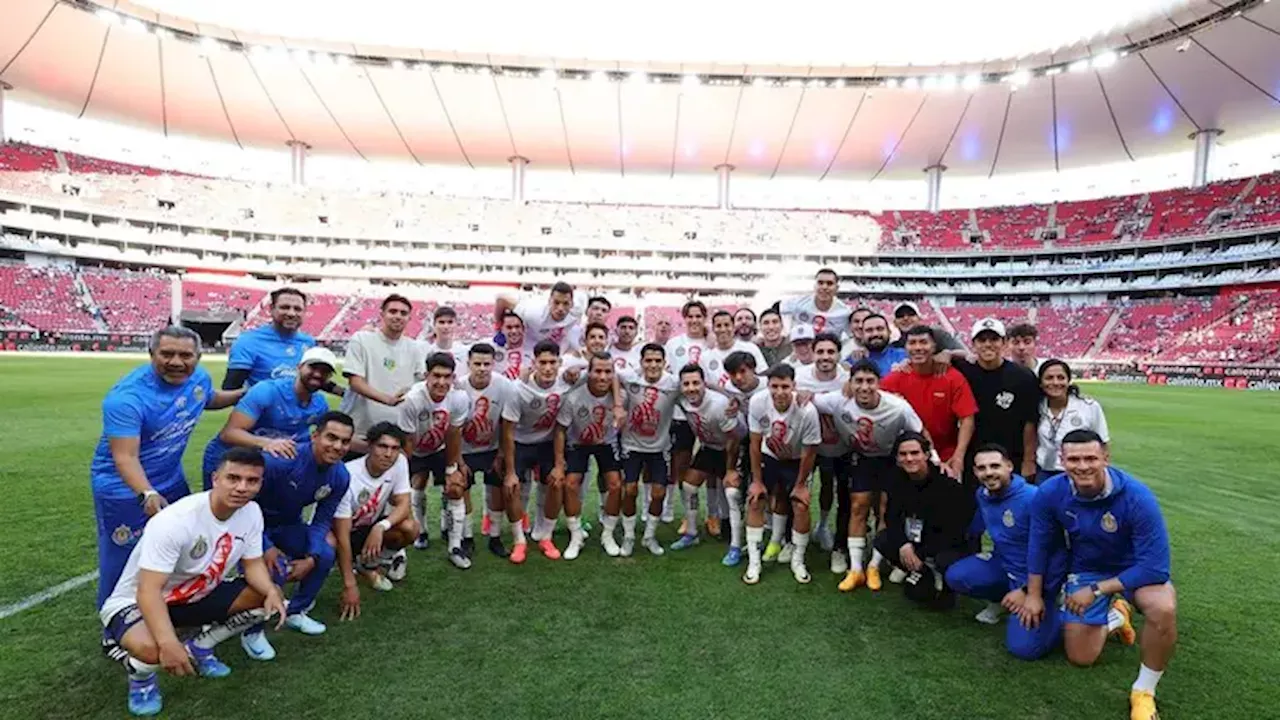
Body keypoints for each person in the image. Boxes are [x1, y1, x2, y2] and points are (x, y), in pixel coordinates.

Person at [98, 447, 287, 717]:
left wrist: (270, 590)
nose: (242, 487)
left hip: (194, 595)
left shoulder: (252, 512)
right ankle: (141, 679)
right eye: (233, 478)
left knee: (267, 598)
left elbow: (253, 564)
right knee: (152, 650)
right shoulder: (175, 521)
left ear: (260, 484)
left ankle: (200, 646)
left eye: (252, 481)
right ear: (215, 479)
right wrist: (167, 643)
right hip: (136, 602)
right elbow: (147, 591)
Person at [92, 326, 244, 611]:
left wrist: (243, 394)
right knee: (124, 558)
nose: (176, 362)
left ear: (199, 357)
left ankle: (170, 607)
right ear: (152, 354)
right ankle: (114, 623)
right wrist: (146, 493)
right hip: (123, 488)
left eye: (185, 355)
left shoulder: (198, 377)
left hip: (171, 480)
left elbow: (207, 399)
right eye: (167, 354)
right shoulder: (126, 399)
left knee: (183, 544)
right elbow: (125, 457)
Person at [1025, 430, 1173, 720]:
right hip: (1087, 568)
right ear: (1062, 460)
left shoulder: (1137, 496)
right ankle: (1118, 615)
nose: (1083, 466)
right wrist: (1033, 594)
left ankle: (1143, 692)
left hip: (1135, 569)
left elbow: (1155, 567)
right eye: (1074, 459)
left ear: (1106, 457)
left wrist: (1096, 590)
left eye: (1091, 458)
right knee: (1081, 658)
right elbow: (1038, 544)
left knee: (1162, 607)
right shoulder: (1051, 493)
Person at [239, 411, 354, 661]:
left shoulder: (340, 475)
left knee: (324, 552)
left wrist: (311, 557)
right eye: (331, 438)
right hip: (250, 528)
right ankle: (252, 630)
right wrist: (266, 546)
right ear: (315, 436)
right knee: (275, 567)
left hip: (288, 525)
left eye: (345, 441)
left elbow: (322, 519)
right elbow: (243, 506)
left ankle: (296, 611)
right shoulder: (280, 461)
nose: (337, 446)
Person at [943, 444, 1067, 659]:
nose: (988, 473)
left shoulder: (1034, 499)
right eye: (982, 468)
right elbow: (976, 529)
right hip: (1005, 565)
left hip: (1040, 581)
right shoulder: (983, 494)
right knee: (957, 576)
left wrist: (1029, 591)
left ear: (1009, 466)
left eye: (995, 466)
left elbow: (1058, 554)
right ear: (975, 472)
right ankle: (1001, 601)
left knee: (1025, 649)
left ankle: (1067, 612)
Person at [812, 359, 924, 593]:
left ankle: (874, 564)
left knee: (884, 509)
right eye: (858, 381)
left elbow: (919, 431)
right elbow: (809, 399)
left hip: (890, 460)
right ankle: (855, 568)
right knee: (858, 506)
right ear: (850, 383)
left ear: (879, 383)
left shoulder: (897, 407)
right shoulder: (838, 400)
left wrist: (931, 458)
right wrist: (802, 393)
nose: (864, 387)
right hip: (861, 459)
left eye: (870, 381)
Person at [201, 347, 335, 489]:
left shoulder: (320, 404)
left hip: (265, 466)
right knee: (220, 509)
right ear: (299, 367)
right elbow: (229, 434)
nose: (318, 374)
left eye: (325, 371)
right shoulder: (267, 390)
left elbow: (325, 437)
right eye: (313, 367)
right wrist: (267, 443)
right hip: (227, 459)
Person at [872, 432, 972, 608]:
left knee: (942, 597)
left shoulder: (946, 484)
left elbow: (954, 531)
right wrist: (904, 545)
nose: (909, 459)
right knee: (883, 540)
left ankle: (939, 575)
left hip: (945, 545)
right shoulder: (896, 479)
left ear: (926, 455)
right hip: (915, 540)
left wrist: (921, 553)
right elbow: (892, 517)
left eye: (915, 453)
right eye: (903, 454)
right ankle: (922, 572)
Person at [743, 364, 821, 585]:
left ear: (794, 386)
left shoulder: (807, 411)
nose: (779, 392)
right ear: (768, 386)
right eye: (774, 386)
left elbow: (810, 452)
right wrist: (757, 481)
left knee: (800, 504)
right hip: (769, 457)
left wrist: (801, 485)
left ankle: (798, 560)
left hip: (797, 460)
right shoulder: (758, 402)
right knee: (756, 500)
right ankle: (754, 561)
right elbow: (755, 444)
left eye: (785, 386)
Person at [331, 422, 417, 621]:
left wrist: (381, 526)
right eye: (382, 446)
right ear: (369, 446)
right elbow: (342, 535)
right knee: (328, 546)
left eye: (395, 448)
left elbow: (404, 504)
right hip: (338, 531)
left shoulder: (400, 462)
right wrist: (349, 585)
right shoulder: (348, 475)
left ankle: (368, 565)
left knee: (409, 527)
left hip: (368, 527)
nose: (388, 454)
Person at [501, 340, 576, 562]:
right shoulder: (518, 389)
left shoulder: (565, 386)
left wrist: (560, 464)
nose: (548, 367)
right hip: (520, 442)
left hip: (547, 443)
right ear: (533, 363)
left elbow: (561, 429)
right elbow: (507, 431)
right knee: (512, 486)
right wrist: (510, 470)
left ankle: (546, 536)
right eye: (542, 362)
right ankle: (519, 541)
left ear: (560, 363)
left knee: (557, 482)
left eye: (553, 362)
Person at [396, 353, 470, 565]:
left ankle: (455, 546)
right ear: (426, 376)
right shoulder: (411, 400)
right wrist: (402, 474)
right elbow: (407, 440)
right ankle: (419, 533)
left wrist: (452, 468)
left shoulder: (459, 398)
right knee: (410, 488)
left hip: (440, 447)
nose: (441, 382)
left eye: (447, 377)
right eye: (436, 376)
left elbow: (454, 433)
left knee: (456, 488)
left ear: (453, 377)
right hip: (415, 449)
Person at [947, 318, 1040, 480]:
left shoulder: (1023, 377)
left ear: (1004, 343)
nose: (988, 344)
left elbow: (1030, 422)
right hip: (973, 456)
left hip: (1010, 456)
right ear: (973, 344)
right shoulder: (963, 370)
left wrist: (1028, 460)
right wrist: (946, 354)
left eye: (994, 339)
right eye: (982, 340)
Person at [881, 326, 977, 478]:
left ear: (934, 347)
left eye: (923, 342)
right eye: (912, 343)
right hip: (906, 457)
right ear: (905, 347)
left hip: (946, 456)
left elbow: (967, 418)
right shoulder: (893, 379)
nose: (918, 348)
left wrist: (959, 456)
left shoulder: (952, 377)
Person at [553, 352, 624, 560]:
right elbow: (560, 430)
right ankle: (576, 535)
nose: (603, 377)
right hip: (578, 442)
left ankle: (608, 534)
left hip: (607, 442)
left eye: (608, 372)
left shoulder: (621, 396)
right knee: (571, 483)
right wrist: (559, 463)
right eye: (598, 371)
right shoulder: (574, 397)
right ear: (589, 372)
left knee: (615, 484)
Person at [614, 343, 682, 557]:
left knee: (659, 493)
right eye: (648, 361)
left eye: (657, 361)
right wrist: (618, 404)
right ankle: (629, 536)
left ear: (664, 363)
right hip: (631, 446)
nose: (653, 365)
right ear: (641, 362)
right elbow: (614, 376)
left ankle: (649, 536)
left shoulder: (673, 384)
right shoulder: (631, 377)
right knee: (630, 489)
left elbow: (696, 390)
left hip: (659, 448)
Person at [669, 364, 741, 562]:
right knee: (689, 485)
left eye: (696, 383)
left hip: (731, 448)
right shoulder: (681, 398)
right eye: (686, 384)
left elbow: (734, 440)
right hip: (709, 447)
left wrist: (730, 470)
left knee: (731, 493)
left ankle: (736, 545)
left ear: (704, 384)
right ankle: (691, 534)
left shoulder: (719, 404)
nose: (691, 388)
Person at [458, 343, 520, 559]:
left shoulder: (505, 386)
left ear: (494, 364)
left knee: (497, 489)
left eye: (487, 364)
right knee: (461, 489)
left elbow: (507, 426)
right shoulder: (458, 387)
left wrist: (502, 454)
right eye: (477, 363)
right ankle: (465, 537)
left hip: (492, 448)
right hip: (464, 450)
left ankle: (495, 537)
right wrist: (458, 460)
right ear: (468, 364)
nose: (482, 368)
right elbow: (453, 429)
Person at [795, 332, 851, 570]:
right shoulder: (800, 376)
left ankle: (829, 532)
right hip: (808, 445)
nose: (825, 356)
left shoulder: (848, 378)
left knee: (837, 489)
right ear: (813, 353)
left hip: (841, 445)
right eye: (820, 351)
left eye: (831, 352)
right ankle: (792, 539)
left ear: (838, 354)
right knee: (798, 487)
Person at [340, 294, 424, 445]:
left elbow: (420, 384)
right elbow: (355, 382)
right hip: (360, 430)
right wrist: (387, 399)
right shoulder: (362, 339)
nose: (398, 316)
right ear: (382, 314)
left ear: (409, 318)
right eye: (393, 311)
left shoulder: (414, 347)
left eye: (403, 313)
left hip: (395, 432)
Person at [665, 300, 711, 530]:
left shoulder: (711, 342)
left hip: (709, 412)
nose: (694, 320)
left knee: (714, 462)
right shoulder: (674, 344)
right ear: (684, 319)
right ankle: (686, 514)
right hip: (681, 413)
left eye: (698, 316)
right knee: (680, 463)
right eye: (690, 316)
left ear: (704, 318)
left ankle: (714, 514)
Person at [222, 287, 317, 390]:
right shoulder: (248, 342)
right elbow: (230, 388)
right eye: (285, 307)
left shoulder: (309, 342)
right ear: (271, 309)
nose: (291, 314)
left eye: (297, 309)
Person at [1036, 359, 1110, 483]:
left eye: (1061, 377)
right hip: (1044, 473)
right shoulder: (1036, 407)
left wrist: (1102, 473)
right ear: (1041, 383)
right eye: (1049, 378)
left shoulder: (1089, 407)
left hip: (1079, 473)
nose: (1055, 382)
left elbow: (1103, 443)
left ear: (1068, 380)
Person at [496, 281, 584, 351]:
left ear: (572, 304)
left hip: (556, 343)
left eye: (565, 303)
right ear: (549, 301)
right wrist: (498, 328)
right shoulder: (533, 313)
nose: (560, 308)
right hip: (531, 343)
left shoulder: (578, 310)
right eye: (556, 303)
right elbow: (501, 300)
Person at [700, 310, 768, 389]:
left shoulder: (750, 348)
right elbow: (707, 386)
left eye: (726, 325)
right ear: (713, 329)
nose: (723, 329)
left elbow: (764, 375)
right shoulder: (705, 357)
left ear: (733, 327)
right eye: (718, 326)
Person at [776, 268, 853, 337]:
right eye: (820, 283)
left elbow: (851, 335)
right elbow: (779, 307)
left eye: (829, 283)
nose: (824, 287)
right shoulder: (799, 303)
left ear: (837, 288)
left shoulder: (845, 312)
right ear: (815, 286)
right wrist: (785, 332)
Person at [889, 302, 964, 351]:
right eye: (900, 316)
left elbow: (964, 354)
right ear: (895, 323)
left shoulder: (938, 335)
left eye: (911, 314)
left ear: (919, 318)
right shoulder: (894, 347)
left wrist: (948, 354)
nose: (905, 318)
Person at [493, 311, 533, 380]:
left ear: (523, 328)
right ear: (501, 329)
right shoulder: (493, 350)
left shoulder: (533, 351)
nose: (514, 331)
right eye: (509, 327)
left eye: (517, 327)